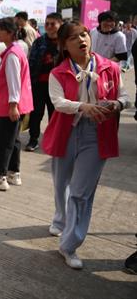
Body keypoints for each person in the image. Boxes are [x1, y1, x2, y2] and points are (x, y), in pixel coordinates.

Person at [41, 20, 128, 270]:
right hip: (66, 132)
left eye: (84, 35)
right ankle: (61, 219)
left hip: (96, 134)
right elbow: (58, 102)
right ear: (64, 46)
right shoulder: (58, 73)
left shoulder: (110, 67)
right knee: (61, 183)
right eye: (74, 38)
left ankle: (69, 245)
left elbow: (124, 96)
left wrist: (117, 104)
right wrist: (83, 106)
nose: (82, 40)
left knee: (80, 193)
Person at [0, 17, 33, 191]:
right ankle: (13, 172)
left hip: (11, 106)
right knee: (13, 140)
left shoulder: (11, 55)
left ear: (10, 33)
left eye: (0, 30)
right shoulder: (17, 50)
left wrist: (12, 105)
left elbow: (13, 82)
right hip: (19, 104)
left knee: (2, 142)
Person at [24, 12, 62, 151]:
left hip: (58, 86)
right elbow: (31, 63)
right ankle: (33, 139)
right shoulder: (39, 41)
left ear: (60, 25)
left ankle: (53, 139)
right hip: (38, 84)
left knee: (55, 114)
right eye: (47, 24)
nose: (49, 26)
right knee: (36, 114)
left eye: (53, 24)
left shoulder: (65, 42)